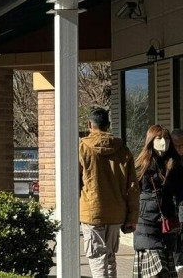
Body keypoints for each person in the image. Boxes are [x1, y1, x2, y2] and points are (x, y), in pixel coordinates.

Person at [78, 108, 138, 278]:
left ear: (90, 125)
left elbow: (75, 180)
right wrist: (132, 217)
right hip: (116, 213)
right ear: (108, 125)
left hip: (92, 211)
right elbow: (133, 186)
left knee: (97, 258)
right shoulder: (123, 149)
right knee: (110, 258)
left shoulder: (83, 148)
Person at [133, 124, 183, 277]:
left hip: (167, 225)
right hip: (146, 225)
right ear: (151, 140)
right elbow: (130, 193)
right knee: (156, 271)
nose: (164, 142)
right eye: (159, 138)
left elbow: (180, 194)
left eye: (167, 139)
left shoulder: (174, 165)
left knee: (165, 271)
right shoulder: (141, 166)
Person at [172, 128, 183, 273]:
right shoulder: (168, 161)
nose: (179, 149)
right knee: (176, 236)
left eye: (181, 145)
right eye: (176, 145)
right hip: (174, 204)